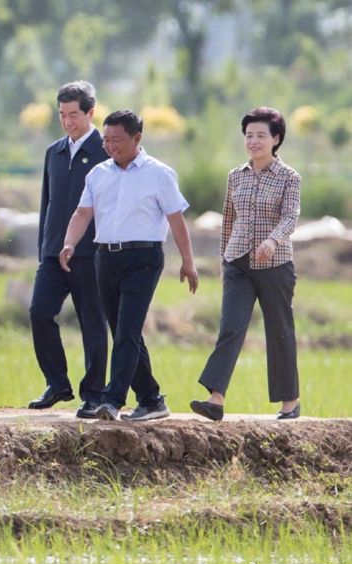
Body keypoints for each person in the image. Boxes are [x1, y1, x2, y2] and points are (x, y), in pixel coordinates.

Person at [60, 109, 198, 421]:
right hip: (105, 258)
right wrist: (69, 242)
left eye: (117, 140)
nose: (109, 145)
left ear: (137, 138)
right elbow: (83, 213)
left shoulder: (159, 173)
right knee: (124, 331)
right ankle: (151, 399)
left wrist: (188, 261)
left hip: (143, 259)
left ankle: (112, 400)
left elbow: (176, 219)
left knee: (127, 331)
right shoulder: (98, 174)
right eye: (106, 139)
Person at [191, 107, 301, 422]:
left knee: (279, 330)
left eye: (260, 135)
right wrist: (224, 262)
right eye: (249, 135)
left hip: (276, 264)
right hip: (238, 263)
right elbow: (228, 220)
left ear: (276, 139)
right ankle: (215, 398)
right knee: (230, 327)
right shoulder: (235, 176)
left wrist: (273, 240)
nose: (253, 141)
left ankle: (289, 403)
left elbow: (290, 216)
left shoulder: (289, 177)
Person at [26, 81, 109, 418]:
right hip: (53, 252)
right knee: (39, 311)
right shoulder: (54, 152)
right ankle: (57, 382)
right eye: (62, 114)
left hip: (90, 254)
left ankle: (93, 393)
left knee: (92, 322)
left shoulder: (107, 151)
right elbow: (47, 203)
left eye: (74, 114)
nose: (68, 121)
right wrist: (46, 246)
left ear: (90, 112)